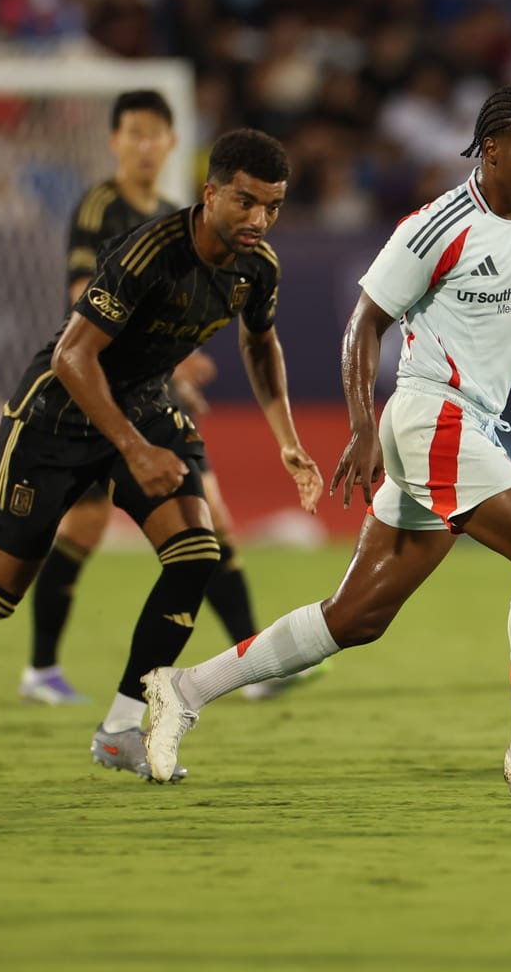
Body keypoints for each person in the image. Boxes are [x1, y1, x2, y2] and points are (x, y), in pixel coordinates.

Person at [139, 86, 511, 793]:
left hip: (462, 424)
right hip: (430, 415)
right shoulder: (437, 226)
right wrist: (358, 425)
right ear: (492, 149)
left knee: (357, 615)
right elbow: (364, 321)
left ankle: (185, 687)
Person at [0, 129, 324, 781]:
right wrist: (136, 451)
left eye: (273, 206)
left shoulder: (259, 267)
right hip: (54, 416)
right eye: (246, 202)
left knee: (196, 551)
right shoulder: (147, 254)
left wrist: (287, 440)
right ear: (211, 193)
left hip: (140, 405)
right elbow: (72, 355)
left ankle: (119, 728)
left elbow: (260, 345)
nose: (259, 220)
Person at [22, 90, 303, 705]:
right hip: (97, 393)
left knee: (208, 524)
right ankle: (41, 668)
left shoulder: (191, 217)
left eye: (157, 134)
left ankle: (250, 663)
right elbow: (83, 304)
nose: (146, 146)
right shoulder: (102, 207)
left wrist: (168, 371)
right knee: (83, 529)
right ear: (115, 140)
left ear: (174, 143)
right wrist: (161, 370)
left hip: (149, 395)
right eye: (135, 134)